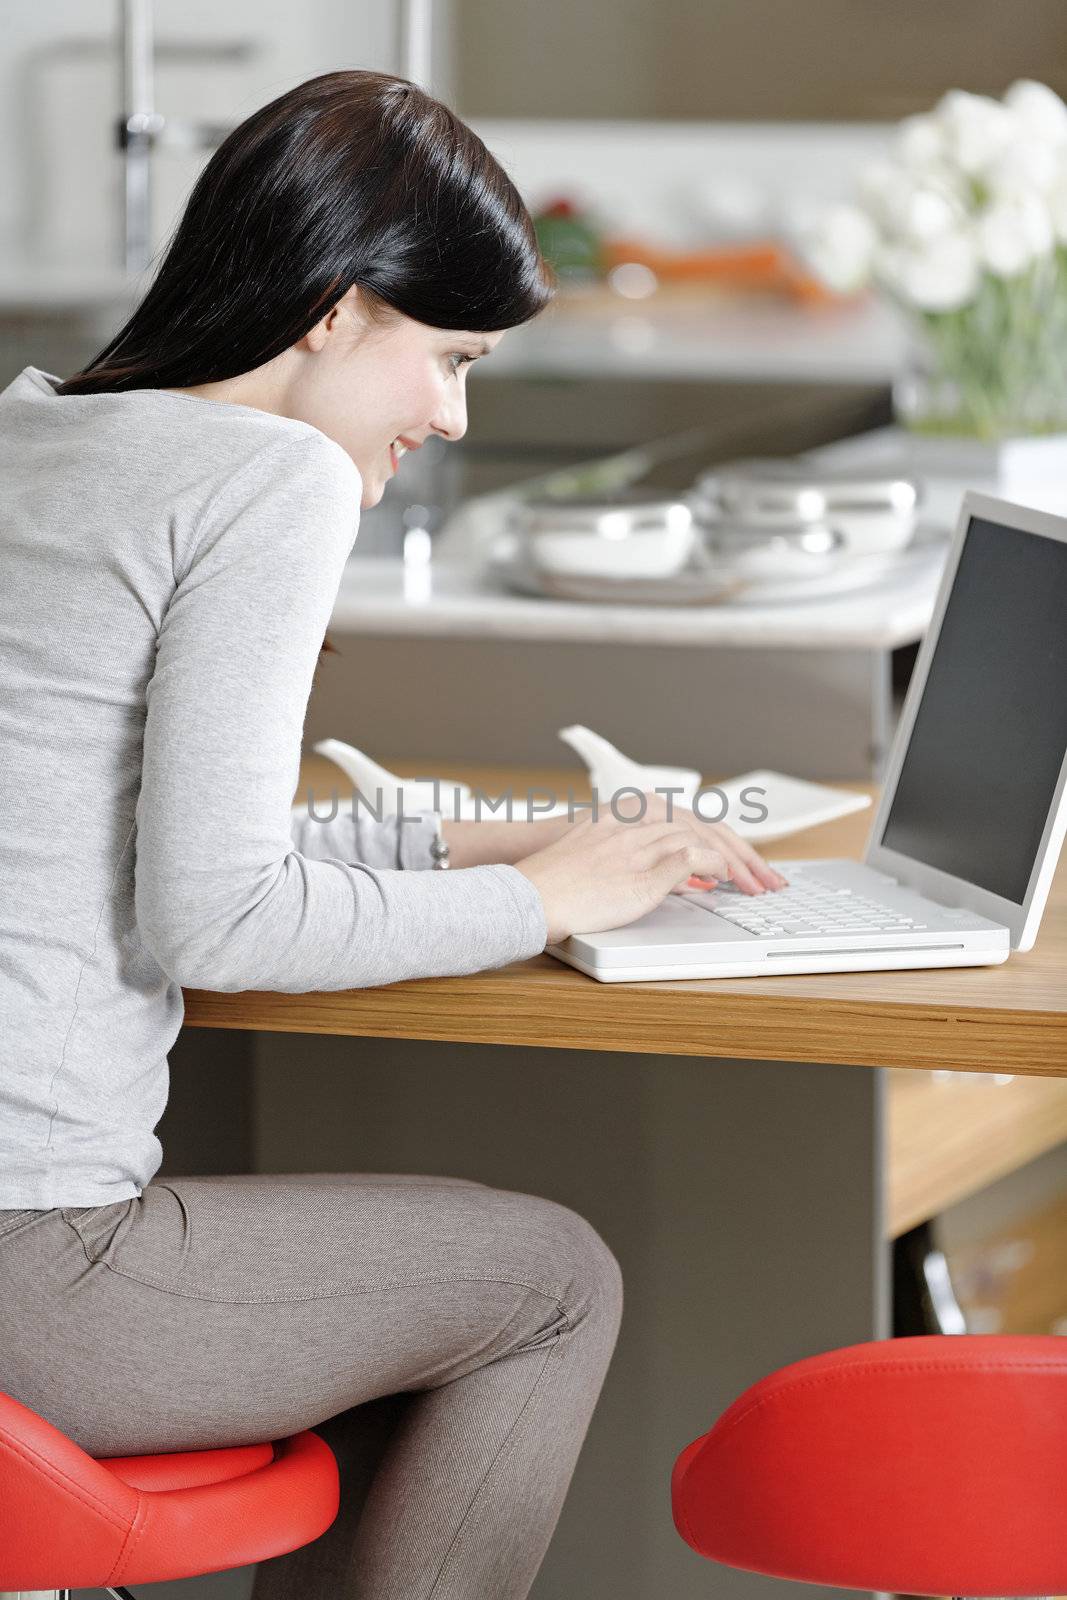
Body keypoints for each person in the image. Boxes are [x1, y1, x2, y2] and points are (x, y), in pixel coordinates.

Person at [0, 69, 784, 1599]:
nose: (452, 412)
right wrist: (549, 903)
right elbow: (218, 916)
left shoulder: (40, 436)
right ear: (338, 308)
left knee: (418, 1312)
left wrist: (513, 850)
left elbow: (146, 829)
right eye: (449, 357)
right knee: (551, 1282)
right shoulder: (272, 476)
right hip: (35, 1266)